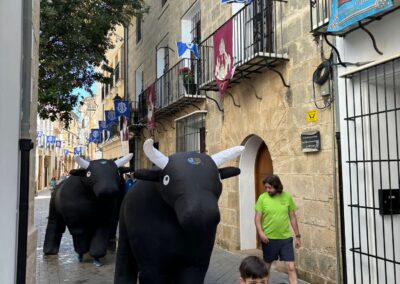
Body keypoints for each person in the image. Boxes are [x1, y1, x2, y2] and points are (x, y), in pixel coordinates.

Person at [254, 175, 301, 284]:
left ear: (277, 186)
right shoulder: (262, 198)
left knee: (291, 267)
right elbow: (257, 218)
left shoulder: (287, 197)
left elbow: (293, 217)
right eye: (266, 187)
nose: (267, 190)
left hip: (285, 239)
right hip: (269, 239)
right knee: (266, 267)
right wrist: (261, 233)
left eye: (269, 188)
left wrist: (298, 236)